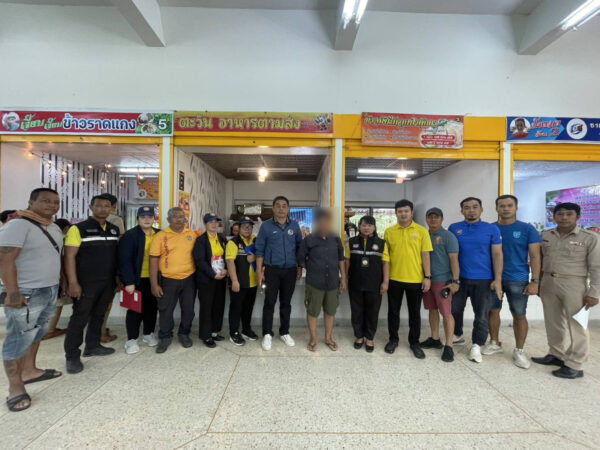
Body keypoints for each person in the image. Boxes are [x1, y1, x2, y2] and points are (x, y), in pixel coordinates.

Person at [0, 188, 63, 412]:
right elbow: (5, 260)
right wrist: (12, 293)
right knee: (18, 339)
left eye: (55, 202)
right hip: (26, 291)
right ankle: (15, 388)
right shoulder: (17, 225)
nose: (52, 205)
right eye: (45, 201)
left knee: (37, 332)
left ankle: (30, 371)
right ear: (31, 201)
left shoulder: (53, 227)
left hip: (49, 288)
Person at [532, 202, 600, 379]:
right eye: (560, 214)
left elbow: (597, 267)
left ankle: (575, 364)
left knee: (578, 325)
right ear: (554, 216)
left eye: (569, 214)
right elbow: (540, 259)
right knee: (553, 322)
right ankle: (556, 354)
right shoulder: (546, 235)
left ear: (578, 217)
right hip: (549, 282)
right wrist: (538, 283)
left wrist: (594, 293)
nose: (564, 218)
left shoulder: (590, 237)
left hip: (574, 284)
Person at [63, 194, 120, 374]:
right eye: (99, 205)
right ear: (91, 207)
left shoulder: (113, 229)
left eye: (107, 206)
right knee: (79, 318)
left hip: (107, 281)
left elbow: (115, 256)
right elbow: (69, 257)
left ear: (111, 208)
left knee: (99, 315)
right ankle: (72, 356)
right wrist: (73, 282)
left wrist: (117, 279)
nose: (103, 209)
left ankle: (93, 346)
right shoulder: (78, 229)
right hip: (86, 282)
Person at [483, 195, 542, 369]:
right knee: (493, 311)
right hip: (493, 278)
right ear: (496, 208)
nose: (506, 209)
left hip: (518, 279)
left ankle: (519, 350)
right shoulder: (490, 228)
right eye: (502, 206)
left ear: (516, 208)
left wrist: (535, 281)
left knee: (519, 314)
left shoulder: (527, 229)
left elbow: (535, 256)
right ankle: (494, 342)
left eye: (509, 205)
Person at [449, 197, 503, 364]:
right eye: (467, 207)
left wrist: (497, 279)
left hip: (484, 279)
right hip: (459, 279)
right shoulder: (454, 228)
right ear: (462, 211)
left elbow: (497, 254)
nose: (471, 210)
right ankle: (457, 334)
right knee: (455, 309)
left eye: (474, 207)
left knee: (481, 315)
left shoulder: (491, 229)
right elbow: (450, 254)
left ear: (481, 209)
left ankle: (477, 345)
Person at [384, 199, 432, 359]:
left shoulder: (422, 231)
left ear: (412, 213)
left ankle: (414, 343)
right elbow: (386, 258)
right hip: (394, 279)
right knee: (393, 312)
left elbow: (425, 255)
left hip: (416, 279)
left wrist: (427, 277)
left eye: (406, 211)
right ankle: (393, 340)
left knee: (415, 314)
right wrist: (386, 279)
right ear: (395, 213)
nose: (403, 214)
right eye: (400, 211)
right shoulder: (389, 232)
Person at [255, 196, 302, 351]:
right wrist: (259, 272)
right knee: (269, 302)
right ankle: (267, 333)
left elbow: (299, 248)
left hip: (290, 270)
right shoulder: (266, 227)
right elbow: (260, 250)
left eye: (284, 206)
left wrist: (300, 267)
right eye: (278, 206)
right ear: (273, 208)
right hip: (271, 270)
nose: (281, 209)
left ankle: (284, 332)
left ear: (288, 209)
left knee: (286, 303)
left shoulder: (294, 226)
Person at [149, 207, 197, 353]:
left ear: (185, 219)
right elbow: (153, 260)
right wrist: (154, 284)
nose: (179, 219)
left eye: (182, 216)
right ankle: (165, 337)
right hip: (168, 280)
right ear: (168, 219)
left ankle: (184, 334)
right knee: (165, 310)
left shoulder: (192, 235)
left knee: (188, 309)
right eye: (175, 216)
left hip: (189, 279)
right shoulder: (161, 236)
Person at [297, 209, 345, 351]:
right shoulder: (309, 240)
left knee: (330, 311)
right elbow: (300, 258)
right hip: (314, 283)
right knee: (313, 311)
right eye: (321, 222)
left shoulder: (335, 239)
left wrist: (344, 278)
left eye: (326, 222)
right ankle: (313, 338)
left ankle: (328, 338)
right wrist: (311, 267)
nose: (324, 224)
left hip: (333, 283)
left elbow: (341, 259)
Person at [119, 206, 160, 355]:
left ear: (154, 219)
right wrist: (128, 281)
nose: (147, 220)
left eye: (150, 217)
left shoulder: (159, 234)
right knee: (135, 310)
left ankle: (148, 334)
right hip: (137, 280)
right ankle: (131, 340)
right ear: (138, 219)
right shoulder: (130, 235)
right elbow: (124, 261)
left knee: (152, 308)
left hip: (154, 279)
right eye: (143, 217)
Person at [420, 208, 460, 362]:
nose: (433, 220)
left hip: (443, 281)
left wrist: (455, 281)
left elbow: (454, 260)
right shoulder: (424, 235)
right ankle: (435, 339)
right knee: (432, 310)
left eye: (436, 217)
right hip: (427, 280)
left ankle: (449, 346)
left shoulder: (448, 237)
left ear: (442, 219)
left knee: (446, 313)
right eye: (430, 217)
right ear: (426, 219)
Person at [345, 215, 389, 353]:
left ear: (374, 227)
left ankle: (369, 338)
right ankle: (359, 336)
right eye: (363, 225)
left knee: (372, 311)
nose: (366, 228)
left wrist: (385, 281)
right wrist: (344, 278)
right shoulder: (351, 242)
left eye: (369, 225)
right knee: (356, 311)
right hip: (355, 283)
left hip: (374, 284)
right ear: (359, 226)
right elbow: (347, 261)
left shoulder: (381, 243)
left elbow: (385, 263)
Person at [193, 213, 228, 348]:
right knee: (206, 307)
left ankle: (214, 331)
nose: (214, 224)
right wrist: (213, 274)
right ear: (205, 224)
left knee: (218, 305)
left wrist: (226, 270)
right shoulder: (201, 241)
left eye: (216, 222)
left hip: (221, 277)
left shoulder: (222, 238)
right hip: (207, 279)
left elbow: (227, 256)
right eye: (210, 222)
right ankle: (206, 335)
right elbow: (200, 261)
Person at [225, 217, 259, 346]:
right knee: (236, 308)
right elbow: (230, 262)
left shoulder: (255, 241)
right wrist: (234, 281)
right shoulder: (233, 243)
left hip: (253, 282)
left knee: (248, 308)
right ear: (238, 228)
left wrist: (255, 257)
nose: (247, 229)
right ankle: (234, 332)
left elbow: (262, 255)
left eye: (250, 227)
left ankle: (246, 329)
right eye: (244, 227)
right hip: (238, 282)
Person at [101, 193, 124, 343]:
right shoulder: (116, 220)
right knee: (106, 302)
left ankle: (98, 329)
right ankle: (101, 331)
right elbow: (120, 243)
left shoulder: (85, 224)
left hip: (93, 269)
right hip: (110, 267)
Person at [43, 218, 71, 340]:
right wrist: (64, 280)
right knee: (58, 303)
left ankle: (45, 329)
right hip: (54, 276)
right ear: (66, 228)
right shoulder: (60, 239)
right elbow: (61, 261)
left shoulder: (45, 237)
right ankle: (50, 330)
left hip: (42, 277)